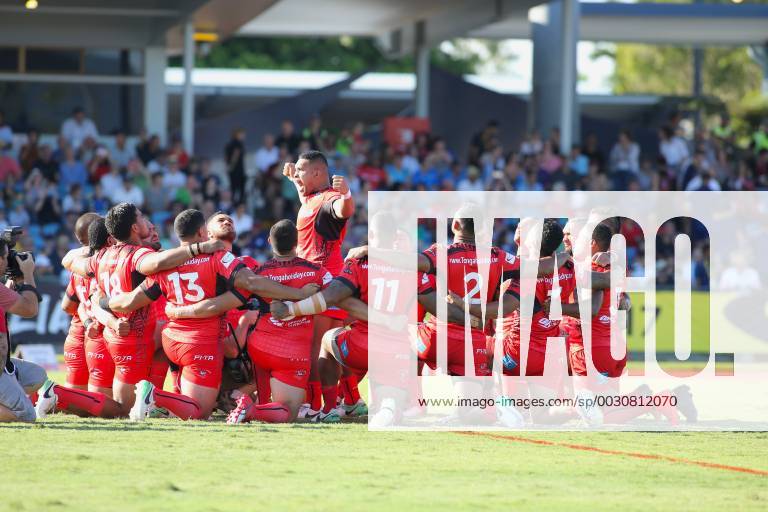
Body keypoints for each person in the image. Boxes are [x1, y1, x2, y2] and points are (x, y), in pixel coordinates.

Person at [62, 203, 227, 410]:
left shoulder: (101, 257)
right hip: (132, 335)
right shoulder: (137, 255)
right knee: (123, 408)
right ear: (134, 227)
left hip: (111, 335)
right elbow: (157, 264)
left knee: (122, 400)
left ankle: (61, 397)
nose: (147, 222)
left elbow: (70, 262)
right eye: (141, 217)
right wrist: (199, 247)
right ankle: (59, 395)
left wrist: (86, 252)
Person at [282, 150, 357, 418]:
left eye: (302, 172)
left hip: (324, 280)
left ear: (316, 173)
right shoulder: (312, 197)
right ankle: (346, 400)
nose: (298, 176)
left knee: (316, 348)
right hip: (324, 278)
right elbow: (306, 199)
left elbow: (343, 210)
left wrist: (347, 195)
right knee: (331, 345)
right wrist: (294, 179)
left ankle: (316, 406)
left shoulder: (331, 199)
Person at [0, 239, 44, 422]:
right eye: (6, 257)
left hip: (4, 364)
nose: (8, 260)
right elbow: (30, 309)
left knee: (36, 376)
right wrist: (27, 275)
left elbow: (8, 304)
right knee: (26, 416)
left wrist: (13, 281)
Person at [225, 128, 246, 204]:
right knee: (240, 191)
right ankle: (238, 205)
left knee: (232, 189)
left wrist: (228, 167)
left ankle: (233, 203)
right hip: (237, 171)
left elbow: (226, 157)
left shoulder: (229, 144)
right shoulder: (238, 144)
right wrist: (231, 166)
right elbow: (235, 155)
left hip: (232, 171)